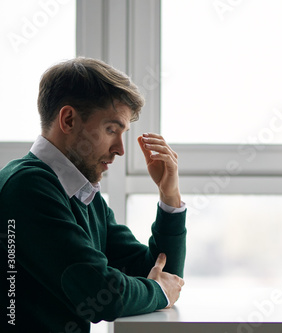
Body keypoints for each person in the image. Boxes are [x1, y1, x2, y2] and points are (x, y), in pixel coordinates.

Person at [0, 57, 187, 332]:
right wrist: (158, 291)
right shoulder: (27, 187)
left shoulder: (80, 191)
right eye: (111, 129)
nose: (121, 149)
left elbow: (158, 273)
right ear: (68, 119)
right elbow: (101, 295)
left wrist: (169, 197)